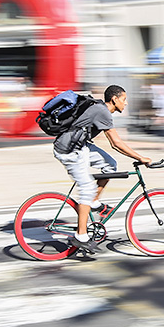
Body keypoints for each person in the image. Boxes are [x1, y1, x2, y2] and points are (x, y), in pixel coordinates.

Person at [53, 84, 152, 255]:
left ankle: (93, 201)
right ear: (114, 99)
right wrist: (140, 158)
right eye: (124, 99)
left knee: (110, 165)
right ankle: (81, 235)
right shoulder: (102, 111)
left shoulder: (102, 110)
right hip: (69, 150)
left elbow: (113, 144)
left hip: (80, 146)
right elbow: (116, 143)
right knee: (87, 188)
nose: (126, 103)